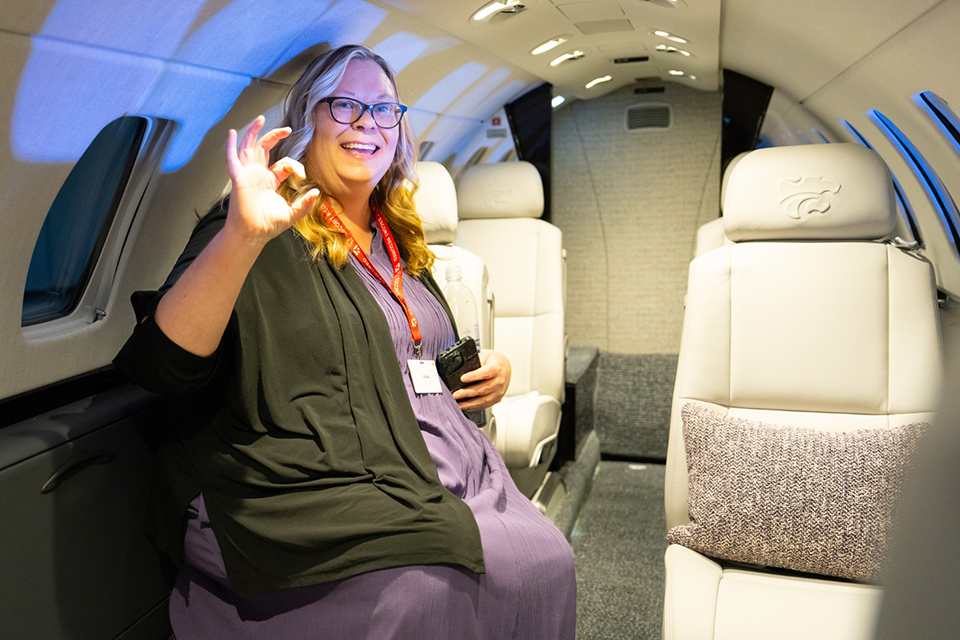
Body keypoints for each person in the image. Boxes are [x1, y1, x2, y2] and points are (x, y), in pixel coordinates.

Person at [114, 44, 576, 639]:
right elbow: (164, 363)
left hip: (442, 460)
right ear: (310, 118)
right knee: (426, 589)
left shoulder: (402, 238)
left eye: (385, 109)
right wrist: (240, 237)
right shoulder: (263, 222)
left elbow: (422, 353)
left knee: (548, 560)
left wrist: (497, 369)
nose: (367, 123)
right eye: (346, 105)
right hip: (320, 479)